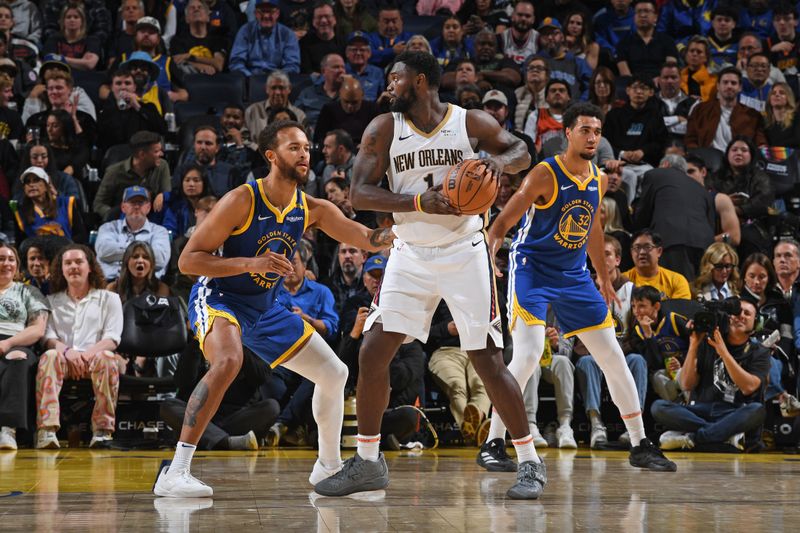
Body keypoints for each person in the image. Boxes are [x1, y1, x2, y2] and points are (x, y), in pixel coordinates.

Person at [315, 50, 550, 501]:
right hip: (410, 252)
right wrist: (418, 204)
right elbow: (360, 192)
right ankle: (368, 461)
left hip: (465, 249)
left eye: (395, 77)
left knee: (486, 359)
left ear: (420, 81)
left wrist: (500, 165)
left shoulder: (469, 122)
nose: (388, 85)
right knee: (372, 351)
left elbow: (522, 151)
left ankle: (529, 462)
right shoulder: (384, 127)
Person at [153, 120, 394, 498]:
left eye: (307, 148)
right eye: (294, 147)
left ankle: (327, 467)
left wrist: (406, 228)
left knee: (334, 373)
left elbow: (365, 237)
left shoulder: (311, 207)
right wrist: (252, 263)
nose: (304, 154)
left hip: (265, 307)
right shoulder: (242, 200)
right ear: (271, 155)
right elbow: (188, 261)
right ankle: (176, 471)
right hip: (220, 297)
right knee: (229, 361)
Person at [479, 101, 675, 479]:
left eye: (597, 132)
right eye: (585, 130)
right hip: (532, 269)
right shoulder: (544, 173)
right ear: (566, 133)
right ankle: (493, 441)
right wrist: (491, 248)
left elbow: (593, 230)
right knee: (529, 353)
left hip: (574, 275)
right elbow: (505, 219)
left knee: (613, 356)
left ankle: (639, 444)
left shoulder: (599, 178)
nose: (591, 137)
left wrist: (602, 278)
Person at [35, 244, 125, 449]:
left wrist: (85, 355)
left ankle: (102, 431)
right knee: (49, 356)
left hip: (96, 358)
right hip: (64, 358)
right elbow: (48, 337)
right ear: (61, 269)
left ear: (90, 267)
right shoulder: (51, 301)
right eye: (68, 263)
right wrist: (69, 353)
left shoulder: (109, 298)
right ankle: (46, 431)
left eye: (78, 262)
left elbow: (112, 337)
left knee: (108, 358)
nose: (73, 266)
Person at [653, 296, 769, 452]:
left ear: (756, 323)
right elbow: (687, 384)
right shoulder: (706, 343)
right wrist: (693, 344)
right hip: (700, 411)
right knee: (658, 407)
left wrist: (723, 352)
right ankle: (723, 435)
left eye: (747, 313)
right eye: (737, 312)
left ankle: (693, 438)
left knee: (756, 410)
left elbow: (748, 387)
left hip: (733, 412)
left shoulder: (759, 352)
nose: (741, 316)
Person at [633, 154, 716, 281]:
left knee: (676, 293)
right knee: (698, 290)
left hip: (673, 240)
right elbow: (711, 222)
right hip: (704, 243)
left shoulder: (656, 174)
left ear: (665, 165)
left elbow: (644, 212)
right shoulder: (701, 189)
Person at [0, 241, 49, 450]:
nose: (6, 263)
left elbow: (38, 329)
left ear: (17, 265)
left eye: (11, 259)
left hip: (16, 341)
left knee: (17, 359)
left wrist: (7, 343)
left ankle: (7, 429)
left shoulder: (28, 291)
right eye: (1, 259)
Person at [95, 186, 171, 280]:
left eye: (141, 202)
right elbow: (104, 252)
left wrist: (122, 253)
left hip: (149, 286)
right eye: (132, 202)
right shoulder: (108, 228)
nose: (136, 206)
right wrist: (143, 254)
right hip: (111, 282)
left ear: (148, 207)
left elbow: (160, 259)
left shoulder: (160, 231)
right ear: (123, 207)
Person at [93, 130, 170, 221]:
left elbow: (168, 195)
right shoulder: (114, 172)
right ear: (142, 154)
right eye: (156, 151)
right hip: (120, 222)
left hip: (152, 221)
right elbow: (99, 204)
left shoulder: (162, 166)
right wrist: (115, 216)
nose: (161, 154)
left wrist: (163, 195)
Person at [685, 67, 766, 151]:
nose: (729, 86)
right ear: (718, 86)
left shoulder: (752, 115)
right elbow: (690, 138)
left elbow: (760, 142)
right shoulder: (700, 110)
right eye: (725, 82)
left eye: (733, 83)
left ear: (740, 87)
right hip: (707, 160)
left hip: (740, 161)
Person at [14, 166, 86, 244]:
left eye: (36, 180)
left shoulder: (66, 203)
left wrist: (66, 246)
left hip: (66, 252)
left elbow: (81, 235)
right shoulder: (21, 212)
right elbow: (21, 243)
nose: (31, 184)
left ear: (46, 185)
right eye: (27, 182)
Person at [229, 0, 300, 76]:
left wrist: (277, 79)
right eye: (262, 11)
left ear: (277, 13)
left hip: (278, 82)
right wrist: (251, 79)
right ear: (255, 13)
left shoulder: (288, 34)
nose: (266, 16)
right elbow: (236, 62)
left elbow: (292, 66)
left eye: (270, 12)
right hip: (249, 80)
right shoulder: (245, 31)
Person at [624, 229, 692, 299]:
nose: (642, 252)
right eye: (637, 248)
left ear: (659, 251)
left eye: (647, 247)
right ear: (631, 252)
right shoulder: (623, 281)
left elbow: (681, 308)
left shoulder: (677, 280)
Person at [41, 4, 101, 71]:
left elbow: (90, 64)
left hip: (85, 78)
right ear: (63, 21)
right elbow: (49, 61)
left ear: (82, 21)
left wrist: (60, 59)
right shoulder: (53, 39)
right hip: (60, 76)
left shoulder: (92, 40)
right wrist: (81, 62)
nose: (72, 20)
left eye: (76, 17)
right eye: (68, 17)